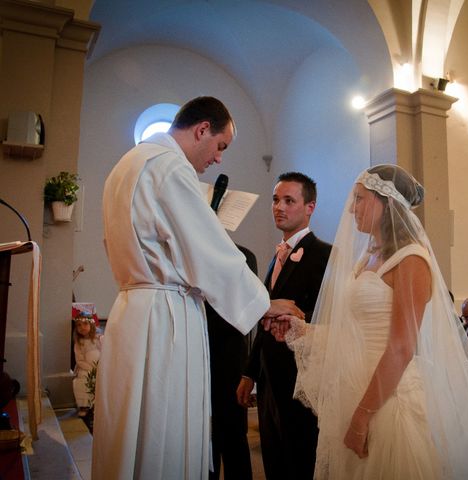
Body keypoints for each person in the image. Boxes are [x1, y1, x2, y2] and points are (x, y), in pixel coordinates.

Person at [273, 164, 468, 479]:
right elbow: (354, 330)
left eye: (360, 199)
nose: (352, 208)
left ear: (386, 203)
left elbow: (401, 346)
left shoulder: (411, 259)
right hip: (355, 386)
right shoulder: (367, 257)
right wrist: (301, 328)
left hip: (387, 400)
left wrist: (363, 416)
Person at [95, 96, 302, 480]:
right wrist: (265, 304)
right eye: (220, 146)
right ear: (202, 129)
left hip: (133, 309)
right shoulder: (170, 168)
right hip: (164, 318)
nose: (219, 158)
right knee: (163, 430)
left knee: (131, 431)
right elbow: (208, 249)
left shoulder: (128, 165)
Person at [236, 172, 331, 480]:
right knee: (273, 458)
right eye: (276, 200)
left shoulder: (325, 255)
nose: (279, 207)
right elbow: (262, 320)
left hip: (300, 379)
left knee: (300, 459)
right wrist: (250, 372)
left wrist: (297, 321)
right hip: (268, 379)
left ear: (310, 207)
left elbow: (328, 317)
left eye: (289, 200)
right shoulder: (275, 258)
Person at [206, 244, 257, 480]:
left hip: (231, 362)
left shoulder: (243, 256)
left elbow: (246, 313)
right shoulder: (194, 254)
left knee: (234, 438)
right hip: (199, 360)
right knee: (205, 441)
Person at [72, 313, 103, 417]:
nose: (82, 327)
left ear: (92, 324)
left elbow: (105, 352)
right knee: (82, 378)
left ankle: (96, 404)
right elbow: (79, 360)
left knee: (101, 379)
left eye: (85, 324)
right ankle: (84, 405)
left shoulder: (99, 339)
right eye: (79, 325)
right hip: (85, 367)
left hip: (100, 366)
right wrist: (91, 369)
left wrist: (99, 367)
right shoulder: (79, 343)